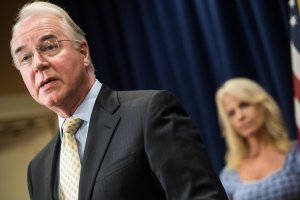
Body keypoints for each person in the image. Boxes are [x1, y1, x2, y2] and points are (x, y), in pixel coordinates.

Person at [10, 1, 228, 200]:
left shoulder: (148, 113)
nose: (38, 64)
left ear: (83, 52)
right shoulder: (38, 169)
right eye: (25, 58)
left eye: (50, 46)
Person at [215, 77, 300, 200]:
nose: (240, 116)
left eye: (244, 105)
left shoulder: (295, 153)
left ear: (263, 106)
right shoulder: (229, 174)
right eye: (231, 113)